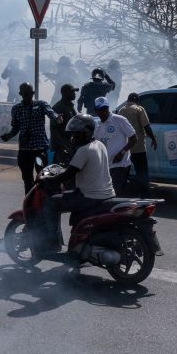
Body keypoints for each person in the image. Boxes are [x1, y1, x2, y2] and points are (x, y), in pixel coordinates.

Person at [40, 114, 116, 251]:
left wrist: (48, 180)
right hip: (107, 194)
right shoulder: (99, 145)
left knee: (50, 204)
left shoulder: (84, 150)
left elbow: (68, 175)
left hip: (89, 197)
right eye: (73, 134)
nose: (74, 137)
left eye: (77, 134)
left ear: (86, 133)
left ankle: (51, 243)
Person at [0, 82, 63, 194]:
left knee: (43, 177)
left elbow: (51, 112)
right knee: (27, 178)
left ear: (33, 93)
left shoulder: (41, 104)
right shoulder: (16, 108)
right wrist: (8, 136)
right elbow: (15, 128)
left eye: (30, 93)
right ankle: (30, 202)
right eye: (26, 93)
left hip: (40, 149)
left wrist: (57, 118)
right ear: (20, 94)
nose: (29, 95)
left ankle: (45, 202)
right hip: (25, 150)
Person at [93, 96, 137, 195]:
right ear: (96, 110)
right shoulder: (97, 125)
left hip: (120, 165)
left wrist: (122, 153)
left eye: (105, 109)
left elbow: (134, 138)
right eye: (100, 110)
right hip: (105, 166)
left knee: (116, 194)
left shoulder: (120, 120)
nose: (104, 112)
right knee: (107, 194)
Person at [118, 92, 157, 198]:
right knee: (142, 172)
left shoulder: (121, 110)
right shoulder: (139, 109)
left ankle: (120, 194)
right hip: (138, 147)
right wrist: (153, 139)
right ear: (137, 101)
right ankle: (145, 195)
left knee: (124, 172)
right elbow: (146, 127)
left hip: (126, 147)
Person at [50, 83, 79, 164]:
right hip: (63, 146)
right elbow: (54, 130)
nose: (74, 94)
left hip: (70, 144)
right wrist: (63, 147)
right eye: (72, 92)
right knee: (60, 170)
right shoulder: (58, 107)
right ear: (65, 93)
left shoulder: (70, 106)